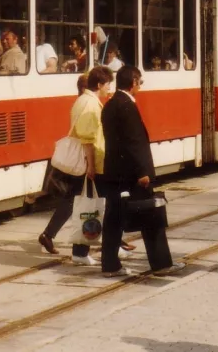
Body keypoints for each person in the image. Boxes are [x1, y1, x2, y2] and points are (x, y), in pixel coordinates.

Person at [100, 66, 184, 277]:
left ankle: (109, 265)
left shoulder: (109, 105)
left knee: (113, 218)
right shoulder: (127, 106)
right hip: (132, 173)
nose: (141, 86)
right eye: (140, 82)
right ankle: (161, 264)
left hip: (114, 171)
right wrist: (143, 171)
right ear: (134, 82)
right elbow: (134, 142)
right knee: (151, 215)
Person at [38, 68, 111, 258]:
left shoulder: (81, 101)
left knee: (73, 199)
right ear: (99, 85)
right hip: (86, 160)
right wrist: (92, 166)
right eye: (108, 84)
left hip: (81, 159)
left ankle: (49, 234)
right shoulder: (90, 104)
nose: (109, 89)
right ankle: (108, 244)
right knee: (95, 202)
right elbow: (87, 138)